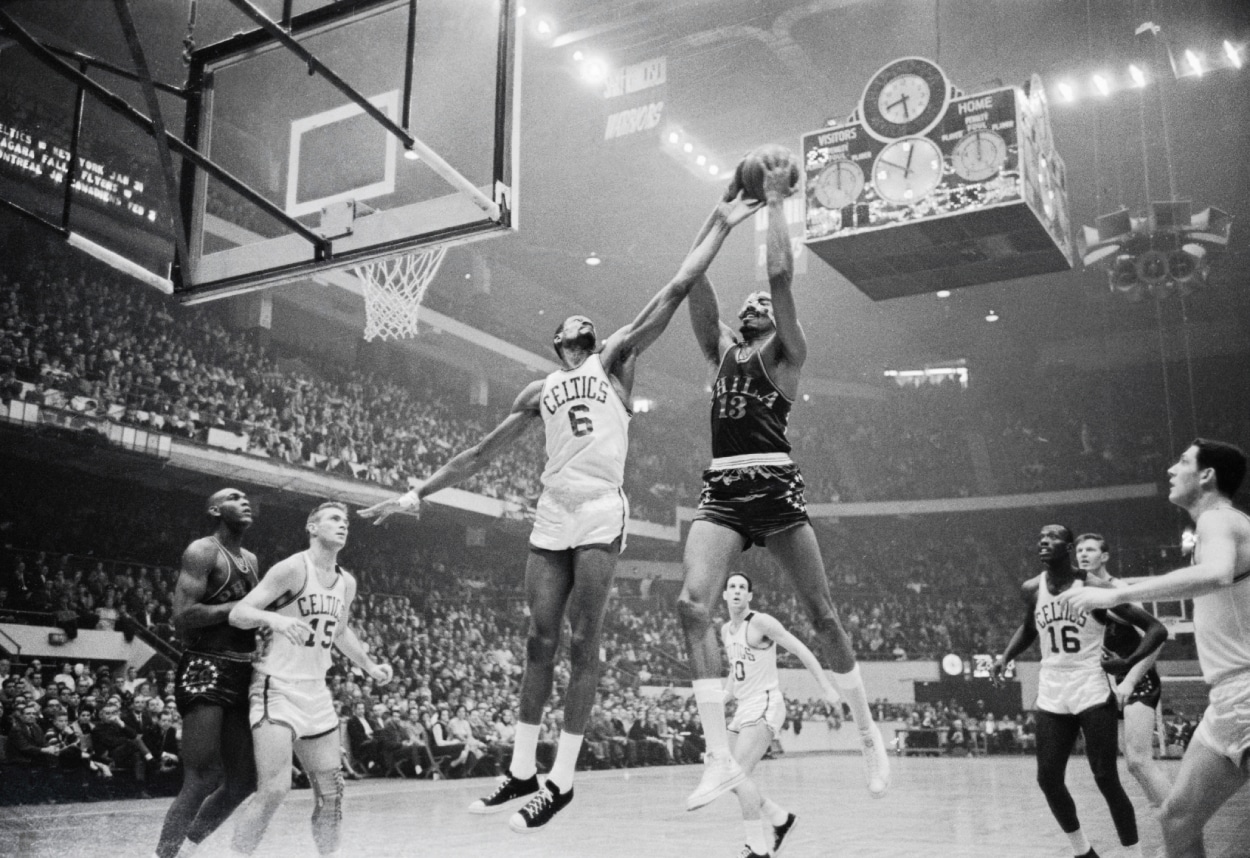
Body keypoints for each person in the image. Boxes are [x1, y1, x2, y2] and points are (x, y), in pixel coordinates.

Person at [358, 189, 758, 832]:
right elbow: (478, 453)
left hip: (601, 508)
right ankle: (520, 770)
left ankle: (561, 779)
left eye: (586, 325)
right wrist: (412, 495)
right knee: (538, 640)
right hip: (552, 510)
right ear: (556, 343)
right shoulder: (538, 390)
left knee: (582, 639)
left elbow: (678, 287)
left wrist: (719, 224)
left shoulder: (615, 359)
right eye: (571, 326)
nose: (581, 327)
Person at [677, 157, 889, 811]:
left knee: (822, 615)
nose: (756, 301)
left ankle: (867, 735)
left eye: (765, 304)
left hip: (774, 488)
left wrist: (772, 205)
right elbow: (692, 279)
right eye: (750, 305)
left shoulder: (787, 353)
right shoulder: (721, 356)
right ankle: (717, 755)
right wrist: (721, 210)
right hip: (722, 492)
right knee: (690, 607)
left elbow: (777, 276)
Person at [1060, 439, 1250, 857]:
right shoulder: (1219, 525)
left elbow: (1216, 573)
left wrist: (1114, 595)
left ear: (1207, 475)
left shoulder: (1218, 520)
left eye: (1182, 461)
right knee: (1177, 817)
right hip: (1228, 701)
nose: (1170, 469)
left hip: (1245, 691)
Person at [226, 501, 393, 858]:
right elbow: (240, 613)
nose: (343, 525)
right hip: (276, 686)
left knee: (332, 795)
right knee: (274, 789)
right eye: (333, 519)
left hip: (315, 692)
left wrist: (369, 666)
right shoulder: (292, 569)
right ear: (312, 527)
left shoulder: (346, 582)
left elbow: (341, 631)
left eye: (346, 521)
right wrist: (277, 621)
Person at [994, 524, 1167, 858]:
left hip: (1090, 688)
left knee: (1105, 778)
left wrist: (1129, 661)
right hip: (1052, 691)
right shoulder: (1031, 588)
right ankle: (1083, 852)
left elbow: (1156, 629)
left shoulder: (1093, 587)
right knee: (1048, 779)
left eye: (1053, 537)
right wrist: (1006, 655)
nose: (1044, 540)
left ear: (1069, 546)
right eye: (1040, 536)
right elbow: (1030, 627)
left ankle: (1134, 855)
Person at [154, 488, 260, 858]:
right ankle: (164, 855)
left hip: (243, 668)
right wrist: (243, 607)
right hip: (206, 665)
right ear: (215, 509)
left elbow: (249, 618)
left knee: (244, 780)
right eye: (234, 496)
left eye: (247, 497)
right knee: (202, 777)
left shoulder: (250, 559)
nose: (245, 500)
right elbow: (183, 616)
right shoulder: (202, 550)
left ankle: (185, 849)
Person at [720, 573, 839, 858]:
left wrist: (826, 687)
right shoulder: (726, 630)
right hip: (743, 706)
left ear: (749, 596)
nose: (737, 591)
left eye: (742, 588)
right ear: (725, 595)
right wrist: (723, 698)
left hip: (765, 703)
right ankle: (780, 819)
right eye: (732, 587)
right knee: (727, 777)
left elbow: (800, 649)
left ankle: (756, 848)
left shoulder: (760, 622)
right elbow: (736, 673)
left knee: (737, 776)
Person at [1075, 532, 1172, 806]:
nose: (1083, 554)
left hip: (1137, 681)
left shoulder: (1119, 591)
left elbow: (1156, 639)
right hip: (1111, 684)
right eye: (1079, 550)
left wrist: (1130, 680)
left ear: (1104, 556)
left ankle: (1178, 819)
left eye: (1090, 550)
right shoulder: (1085, 593)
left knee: (1140, 760)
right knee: (1131, 763)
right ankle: (1168, 815)